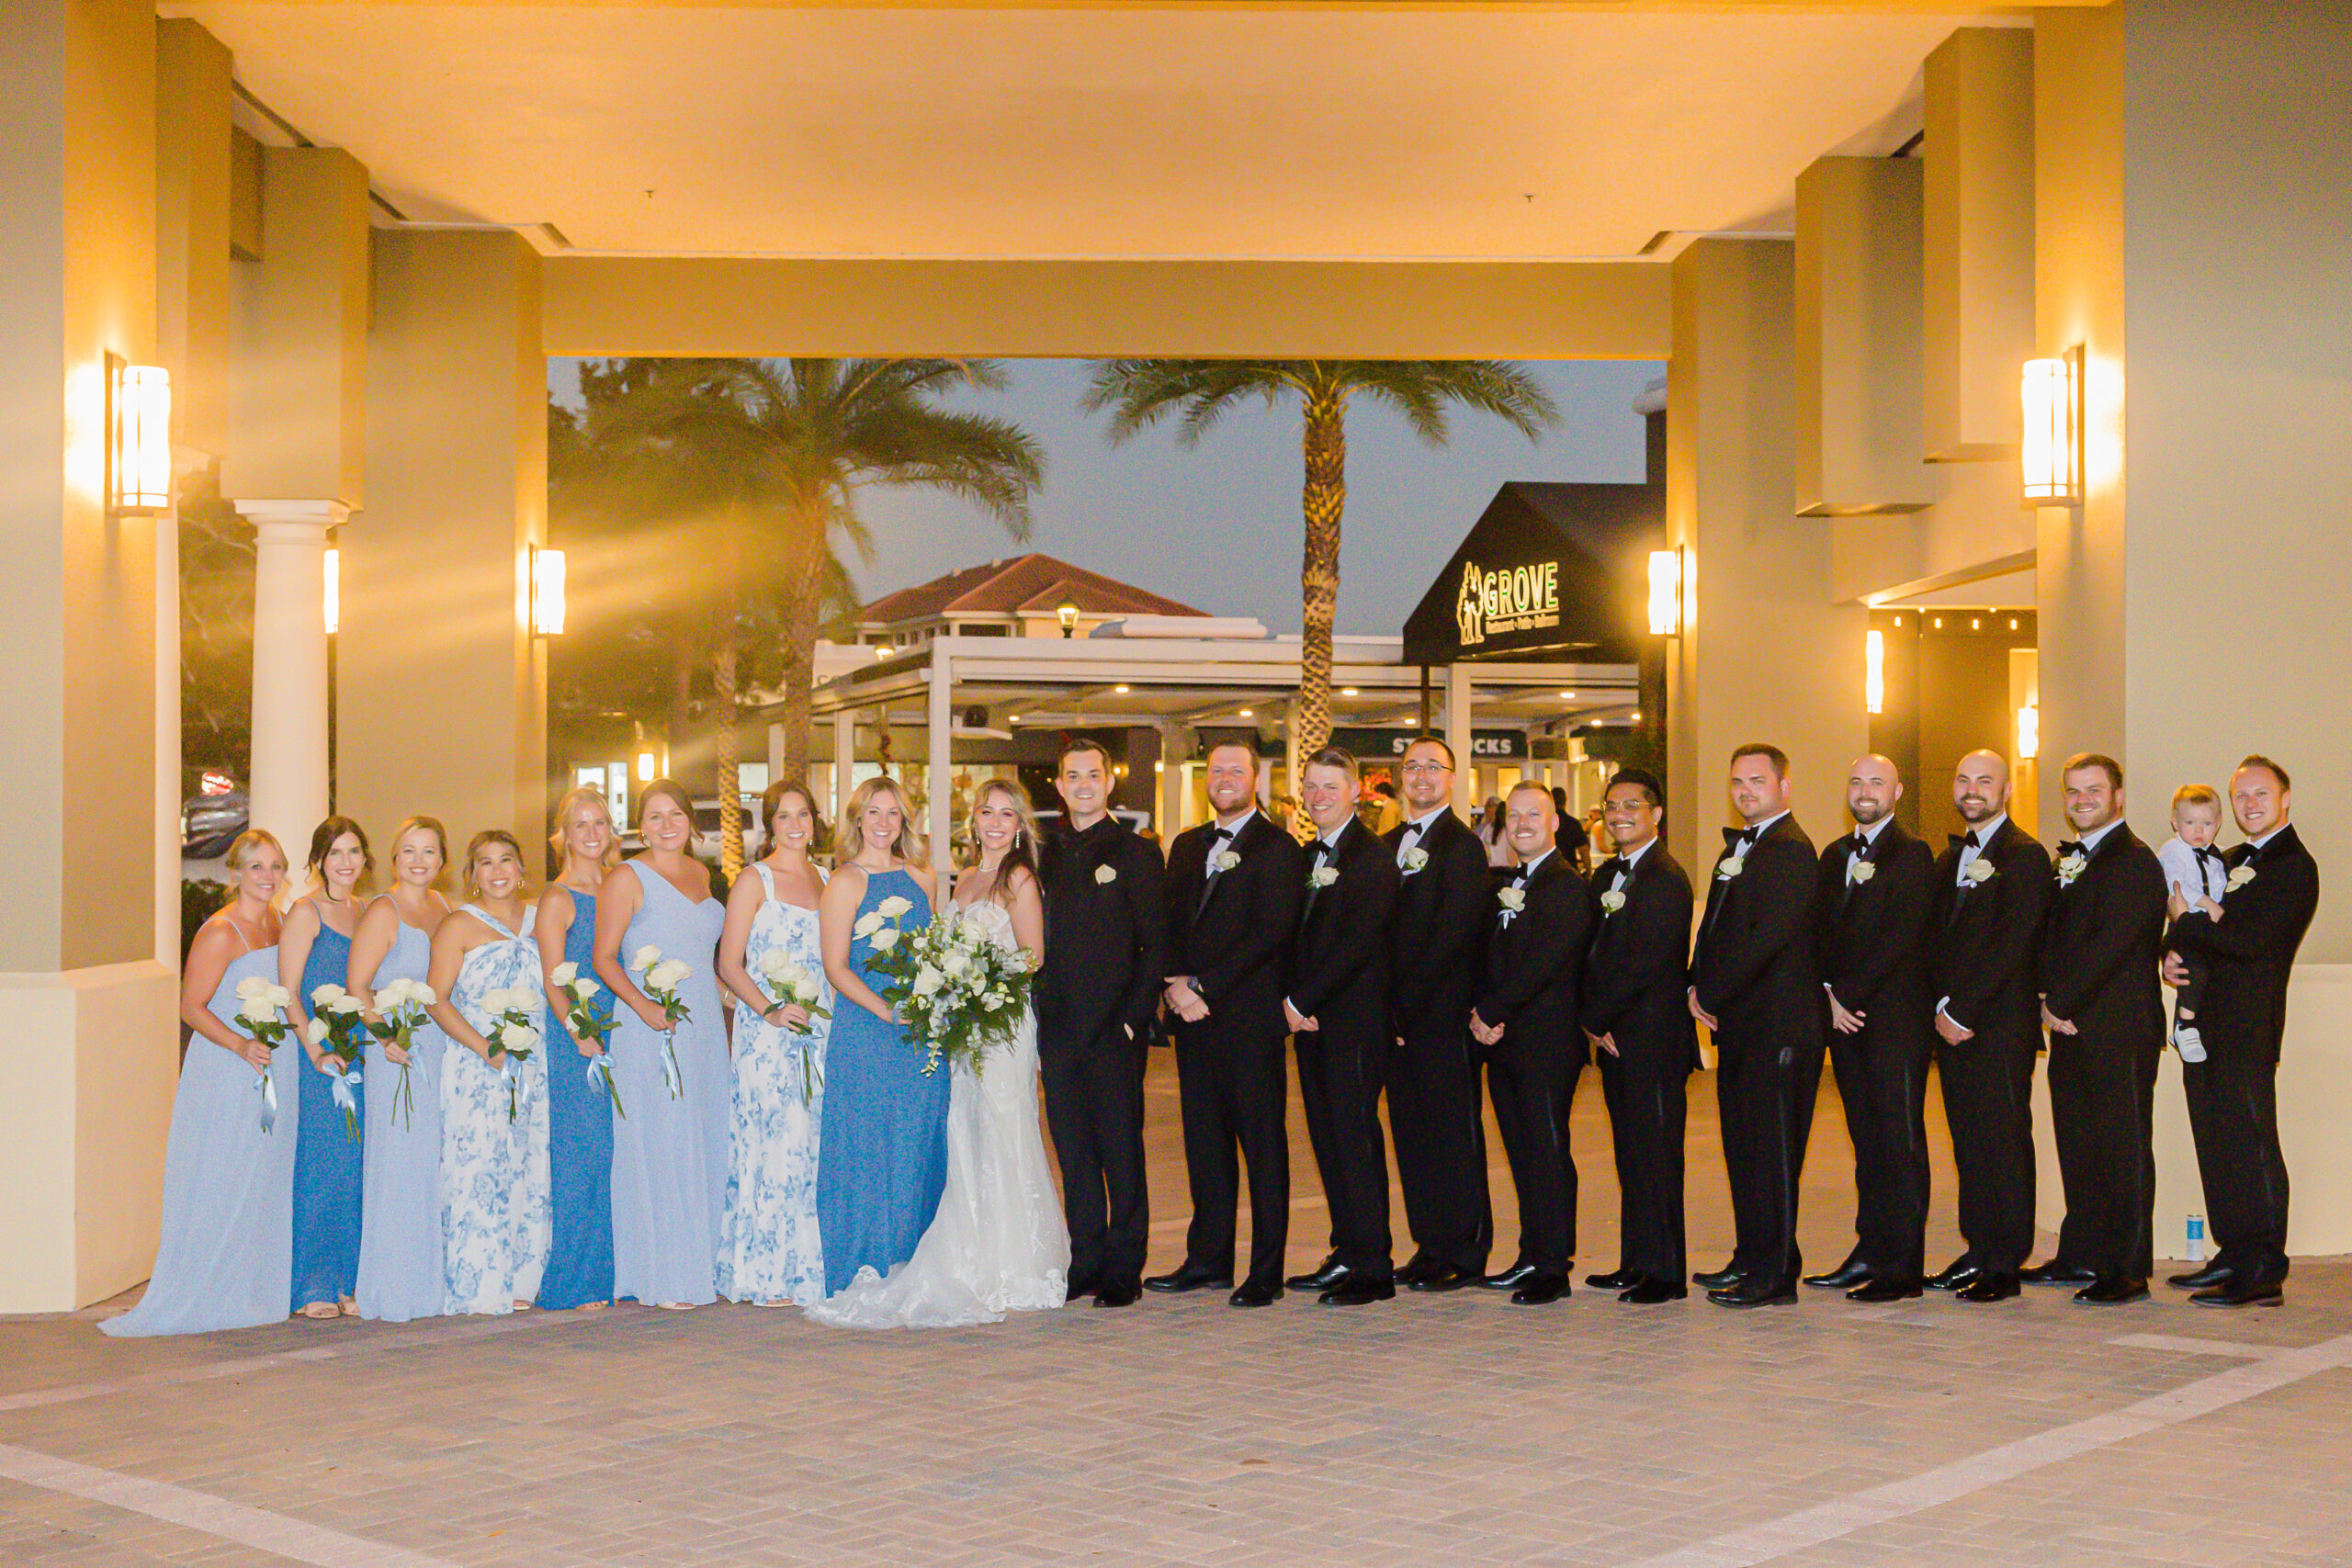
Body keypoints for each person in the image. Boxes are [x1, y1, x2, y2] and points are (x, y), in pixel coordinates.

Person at [811, 779, 1069, 1328]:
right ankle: (968, 1255)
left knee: (1003, 1130)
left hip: (997, 1024)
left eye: (1007, 813)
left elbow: (1033, 955)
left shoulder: (1015, 876)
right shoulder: (959, 879)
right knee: (961, 1134)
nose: (996, 823)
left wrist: (979, 987)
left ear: (1020, 823)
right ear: (972, 821)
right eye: (986, 813)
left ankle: (1012, 1264)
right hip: (951, 1028)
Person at [103, 831, 297, 1337]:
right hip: (230, 1068)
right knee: (224, 1171)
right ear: (236, 873)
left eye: (275, 866)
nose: (267, 876)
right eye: (256, 867)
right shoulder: (221, 931)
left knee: (260, 1174)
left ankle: (247, 1283)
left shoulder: (278, 921)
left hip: (272, 1063)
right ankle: (207, 1287)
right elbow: (191, 1006)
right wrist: (240, 1045)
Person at [1149, 742, 1304, 1307]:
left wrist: (1203, 986)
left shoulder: (1279, 847)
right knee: (1204, 1144)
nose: (1224, 779)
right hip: (1192, 1021)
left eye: (1236, 770)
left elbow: (1271, 933)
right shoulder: (1188, 845)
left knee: (1262, 1146)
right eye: (1216, 771)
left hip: (1247, 1019)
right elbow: (1168, 922)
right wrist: (1172, 983)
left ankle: (1266, 1270)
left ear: (1256, 780)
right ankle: (1208, 1259)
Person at [2164, 755, 2320, 1308]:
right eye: (2241, 797)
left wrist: (2188, 925)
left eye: (2261, 794)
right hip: (2201, 1024)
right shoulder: (2223, 857)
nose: (2250, 805)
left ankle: (2264, 1270)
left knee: (2253, 1143)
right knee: (2215, 1141)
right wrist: (2171, 957)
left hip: (2248, 1027)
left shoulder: (2295, 866)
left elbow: (2251, 944)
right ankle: (2232, 1249)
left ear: (2285, 798)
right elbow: (2187, 925)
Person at [1688, 744, 1823, 1308]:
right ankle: (1750, 1257)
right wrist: (1693, 982)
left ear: (1784, 787)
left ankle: (1775, 1276)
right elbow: (1716, 926)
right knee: (1743, 1147)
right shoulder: (1740, 848)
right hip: (1742, 1023)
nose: (1746, 790)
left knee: (1773, 1152)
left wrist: (1713, 991)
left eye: (1757, 781)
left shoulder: (1791, 849)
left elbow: (1766, 938)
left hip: (1780, 1025)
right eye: (1738, 781)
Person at [1035, 741, 1167, 1308]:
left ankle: (1123, 1266)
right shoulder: (1043, 853)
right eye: (1073, 776)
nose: (1083, 784)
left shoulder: (1136, 853)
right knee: (1073, 1150)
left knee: (1120, 1149)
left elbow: (1156, 946)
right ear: (1059, 787)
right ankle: (1084, 1259)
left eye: (1094, 775)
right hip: (1058, 1028)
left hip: (1115, 1029)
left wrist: (1134, 1021)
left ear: (1108, 783)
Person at [2032, 752, 2166, 1304]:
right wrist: (2044, 995)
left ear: (2118, 797)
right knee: (2079, 1144)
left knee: (2123, 1146)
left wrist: (2058, 1000)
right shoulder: (2073, 861)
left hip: (2118, 1028)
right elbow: (2053, 935)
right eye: (2072, 791)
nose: (2081, 799)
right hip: (2069, 1027)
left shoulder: (2135, 861)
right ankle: (2082, 1251)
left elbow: (2111, 944)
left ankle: (2128, 1268)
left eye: (2093, 790)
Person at [594, 779, 729, 1310]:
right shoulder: (626, 877)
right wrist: (645, 1007)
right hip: (647, 1024)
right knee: (661, 1139)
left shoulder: (704, 874)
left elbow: (708, 955)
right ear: (639, 825)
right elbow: (605, 957)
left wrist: (731, 997)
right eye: (654, 816)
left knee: (703, 1134)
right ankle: (663, 1272)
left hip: (704, 1029)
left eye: (675, 814)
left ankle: (701, 1261)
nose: (666, 824)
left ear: (690, 823)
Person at [1925, 750, 2053, 1304]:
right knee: (1968, 1142)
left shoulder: (2025, 856)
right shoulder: (1945, 858)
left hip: (1996, 1026)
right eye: (1963, 779)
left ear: (2006, 792)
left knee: (2003, 1140)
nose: (1972, 789)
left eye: (1985, 781)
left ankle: (2005, 1261)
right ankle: (1978, 1248)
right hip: (1951, 1024)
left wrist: (1961, 1012)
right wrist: (1937, 1007)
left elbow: (2014, 945)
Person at [1807, 754, 1937, 1303]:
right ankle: (1869, 1248)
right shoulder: (1833, 853)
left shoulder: (1913, 855)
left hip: (1894, 1020)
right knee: (1866, 1142)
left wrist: (1849, 995)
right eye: (1856, 781)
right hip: (1844, 1019)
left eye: (1876, 782)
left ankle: (1902, 1269)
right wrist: (1828, 996)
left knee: (1900, 1141)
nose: (1865, 791)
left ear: (1897, 790)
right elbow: (1814, 928)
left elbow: (1903, 936)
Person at [811, 777, 946, 1298]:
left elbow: (933, 949)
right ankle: (864, 1264)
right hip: (868, 1031)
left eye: (893, 813)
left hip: (921, 1033)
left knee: (916, 1141)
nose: (884, 822)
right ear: (857, 820)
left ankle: (913, 1262)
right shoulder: (845, 881)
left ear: (904, 820)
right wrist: (890, 1013)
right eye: (873, 812)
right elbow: (836, 967)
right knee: (867, 1145)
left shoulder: (922, 876)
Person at [1283, 747, 1403, 1306]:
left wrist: (1301, 999)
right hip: (1311, 1023)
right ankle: (1347, 1249)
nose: (1319, 796)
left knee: (1355, 1139)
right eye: (1311, 786)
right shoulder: (1306, 855)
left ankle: (1375, 1266)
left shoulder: (1373, 858)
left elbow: (1357, 944)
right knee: (1327, 1140)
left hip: (1354, 1020)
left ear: (1356, 791)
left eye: (1331, 786)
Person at [1470, 780, 1591, 1305]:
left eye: (1533, 816)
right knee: (1521, 1153)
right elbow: (1490, 956)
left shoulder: (1564, 885)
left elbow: (1546, 963)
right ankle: (1530, 1253)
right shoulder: (1511, 881)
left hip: (1545, 1042)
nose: (1522, 825)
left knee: (1546, 1151)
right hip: (1505, 1041)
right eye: (1514, 816)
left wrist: (1492, 1011)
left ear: (1555, 823)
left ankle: (1553, 1266)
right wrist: (1481, 1013)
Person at [1580, 769, 1698, 1304]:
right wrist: (1595, 1020)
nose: (1619, 813)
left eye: (1632, 804)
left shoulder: (1665, 878)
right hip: (1614, 1039)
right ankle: (1635, 1261)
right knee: (1629, 1154)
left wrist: (1598, 1018)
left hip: (1651, 1039)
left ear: (1656, 815)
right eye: (1611, 805)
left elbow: (1648, 963)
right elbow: (1591, 954)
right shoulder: (1606, 877)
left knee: (1657, 1155)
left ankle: (1667, 1273)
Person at [1381, 737, 1494, 1293]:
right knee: (1412, 1134)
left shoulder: (1462, 846)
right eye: (1412, 767)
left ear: (1453, 777)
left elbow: (1455, 932)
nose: (1421, 776)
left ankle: (1465, 1251)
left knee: (1453, 1134)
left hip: (1440, 1015)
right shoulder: (1386, 844)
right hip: (1394, 1021)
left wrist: (1408, 998)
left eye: (1433, 767)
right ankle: (1429, 1244)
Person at [714, 779, 831, 1307]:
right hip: (769, 1031)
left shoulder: (828, 879)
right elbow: (728, 963)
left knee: (813, 1143)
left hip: (820, 1031)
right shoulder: (753, 880)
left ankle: (809, 1267)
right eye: (783, 816)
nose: (795, 824)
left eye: (803, 814)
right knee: (775, 1142)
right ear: (770, 823)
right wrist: (768, 1009)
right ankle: (766, 1271)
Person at [424, 830, 551, 1315]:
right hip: (477, 1066)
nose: (497, 871)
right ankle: (478, 1282)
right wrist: (484, 1048)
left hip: (535, 1067)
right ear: (472, 875)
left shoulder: (543, 920)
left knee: (530, 1165)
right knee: (480, 1167)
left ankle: (524, 1279)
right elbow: (435, 997)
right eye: (485, 863)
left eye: (506, 860)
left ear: (522, 869)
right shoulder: (459, 925)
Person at [348, 817, 453, 1322]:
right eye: (408, 851)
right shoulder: (383, 912)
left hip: (435, 1047)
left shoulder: (441, 907)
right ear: (393, 859)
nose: (418, 860)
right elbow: (357, 986)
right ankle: (395, 1286)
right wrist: (386, 1038)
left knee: (431, 1161)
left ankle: (430, 1281)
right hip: (395, 1050)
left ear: (442, 861)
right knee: (399, 1162)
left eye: (429, 852)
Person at [278, 816, 372, 1319]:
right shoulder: (306, 911)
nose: (346, 862)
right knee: (324, 1166)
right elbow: (288, 992)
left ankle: (349, 1279)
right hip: (322, 1054)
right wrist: (315, 1049)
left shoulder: (365, 911)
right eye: (335, 852)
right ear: (319, 858)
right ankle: (312, 1282)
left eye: (354, 852)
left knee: (358, 1167)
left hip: (364, 1050)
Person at [533, 786, 621, 1311]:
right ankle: (577, 1278)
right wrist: (579, 1033)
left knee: (617, 1154)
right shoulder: (558, 897)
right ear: (563, 835)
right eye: (581, 825)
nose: (592, 834)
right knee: (583, 1154)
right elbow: (552, 980)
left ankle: (619, 1269)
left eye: (601, 823)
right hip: (580, 1037)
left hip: (626, 1027)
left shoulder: (619, 884)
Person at [2155, 784, 2228, 1061]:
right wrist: (2209, 904)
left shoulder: (2218, 854)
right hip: (2186, 922)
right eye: (2190, 822)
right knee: (2193, 969)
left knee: (2210, 972)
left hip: (2209, 927)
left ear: (2218, 823)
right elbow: (2176, 886)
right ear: (2175, 821)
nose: (2199, 831)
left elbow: (2222, 886)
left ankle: (2191, 1022)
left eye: (2207, 823)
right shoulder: (2174, 850)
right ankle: (2183, 1025)